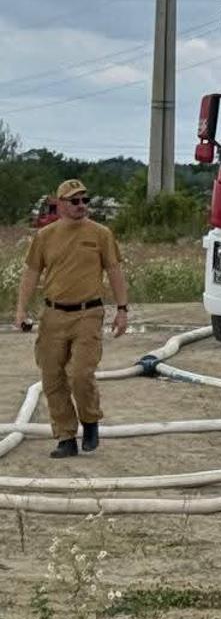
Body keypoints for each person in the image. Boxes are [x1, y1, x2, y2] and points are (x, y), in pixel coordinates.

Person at [12, 180, 130, 459]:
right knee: (52, 377)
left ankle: (90, 421)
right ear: (60, 204)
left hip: (88, 313)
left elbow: (114, 271)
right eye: (74, 201)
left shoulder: (100, 234)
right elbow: (31, 273)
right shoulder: (45, 236)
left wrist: (122, 309)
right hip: (53, 314)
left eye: (84, 201)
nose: (81, 206)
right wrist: (21, 309)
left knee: (80, 374)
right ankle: (65, 436)